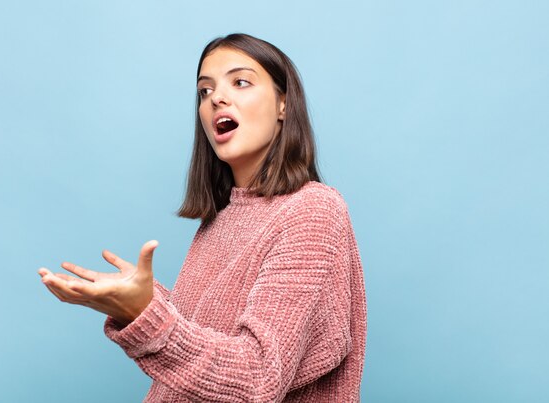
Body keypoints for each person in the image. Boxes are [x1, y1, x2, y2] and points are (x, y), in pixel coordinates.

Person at [38, 33, 367, 402]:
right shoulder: (222, 217)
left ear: (283, 105)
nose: (217, 99)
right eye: (204, 91)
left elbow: (259, 376)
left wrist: (145, 315)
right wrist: (145, 300)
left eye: (240, 82)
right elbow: (204, 338)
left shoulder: (312, 211)